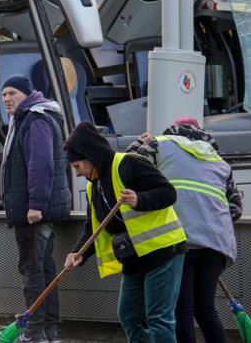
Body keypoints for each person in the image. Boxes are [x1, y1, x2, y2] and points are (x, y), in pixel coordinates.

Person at [63, 121, 186, 343]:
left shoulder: (129, 164)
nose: (78, 173)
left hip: (163, 251)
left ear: (90, 156)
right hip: (134, 258)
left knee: (158, 318)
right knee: (129, 315)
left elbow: (168, 193)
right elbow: (93, 228)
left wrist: (139, 199)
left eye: (77, 166)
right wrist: (78, 253)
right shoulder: (94, 186)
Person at [127, 117, 243, 343]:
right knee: (205, 309)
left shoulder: (159, 145)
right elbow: (236, 210)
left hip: (181, 242)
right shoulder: (218, 161)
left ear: (173, 131)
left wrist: (137, 143)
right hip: (217, 245)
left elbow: (128, 168)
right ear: (200, 132)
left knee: (182, 310)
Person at [0, 74, 71, 343]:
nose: (7, 98)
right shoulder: (30, 117)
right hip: (35, 210)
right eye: (4, 94)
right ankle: (49, 332)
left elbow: (41, 164)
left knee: (32, 271)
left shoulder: (35, 119)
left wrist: (35, 205)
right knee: (43, 270)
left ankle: (34, 332)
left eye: (13, 93)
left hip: (33, 213)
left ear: (27, 95)